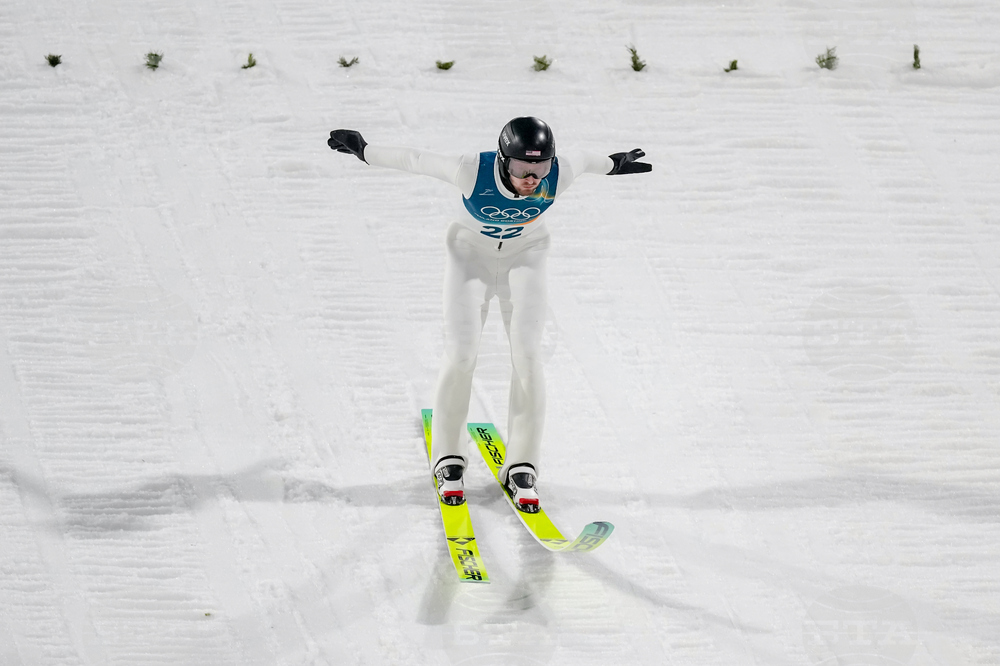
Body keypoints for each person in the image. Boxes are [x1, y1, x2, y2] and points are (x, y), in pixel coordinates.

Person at [328, 117, 650, 513]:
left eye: (540, 169)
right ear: (502, 161)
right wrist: (365, 151)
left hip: (526, 255)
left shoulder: (558, 172)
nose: (531, 179)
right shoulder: (470, 170)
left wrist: (613, 164)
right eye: (519, 169)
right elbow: (415, 159)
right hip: (469, 256)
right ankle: (448, 457)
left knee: (528, 356)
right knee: (462, 352)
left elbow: (583, 159)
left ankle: (523, 465)